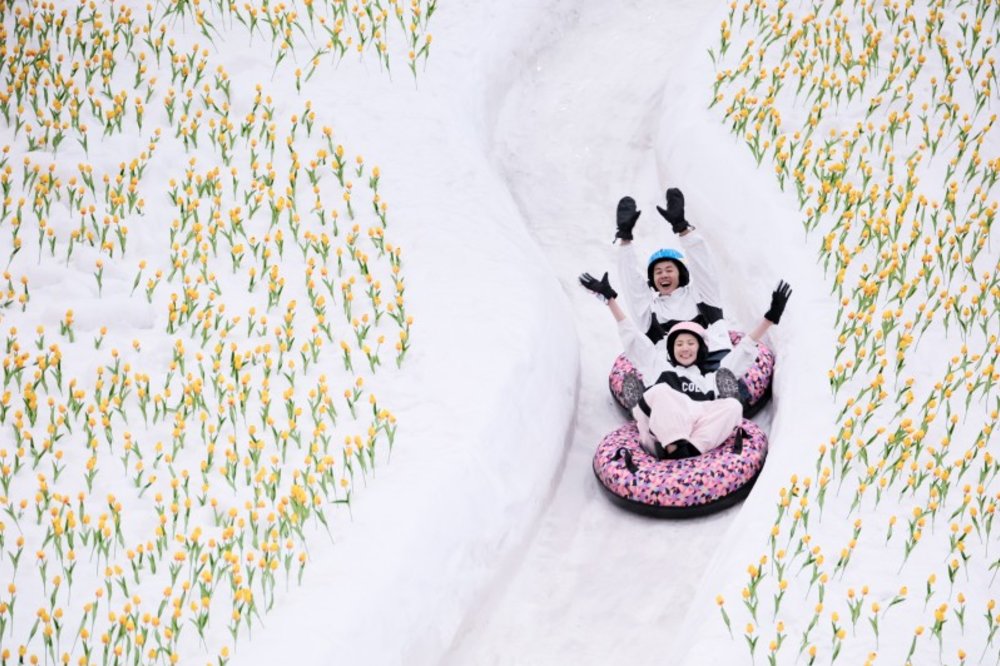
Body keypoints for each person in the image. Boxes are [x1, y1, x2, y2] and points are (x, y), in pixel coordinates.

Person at [579, 271, 792, 459]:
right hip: (662, 431)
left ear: (700, 349)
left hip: (696, 434)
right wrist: (610, 300)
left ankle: (690, 450)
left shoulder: (710, 379)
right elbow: (633, 338)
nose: (685, 348)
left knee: (732, 406)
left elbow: (743, 352)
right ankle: (670, 443)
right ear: (672, 350)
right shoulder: (661, 369)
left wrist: (770, 319)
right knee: (661, 391)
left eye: (691, 343)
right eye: (679, 344)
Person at [614, 189, 733, 368]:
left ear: (681, 274)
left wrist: (682, 228)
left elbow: (704, 268)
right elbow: (632, 286)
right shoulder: (650, 310)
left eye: (669, 269)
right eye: (658, 272)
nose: (663, 275)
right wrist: (625, 239)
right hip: (671, 373)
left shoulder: (701, 295)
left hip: (715, 361)